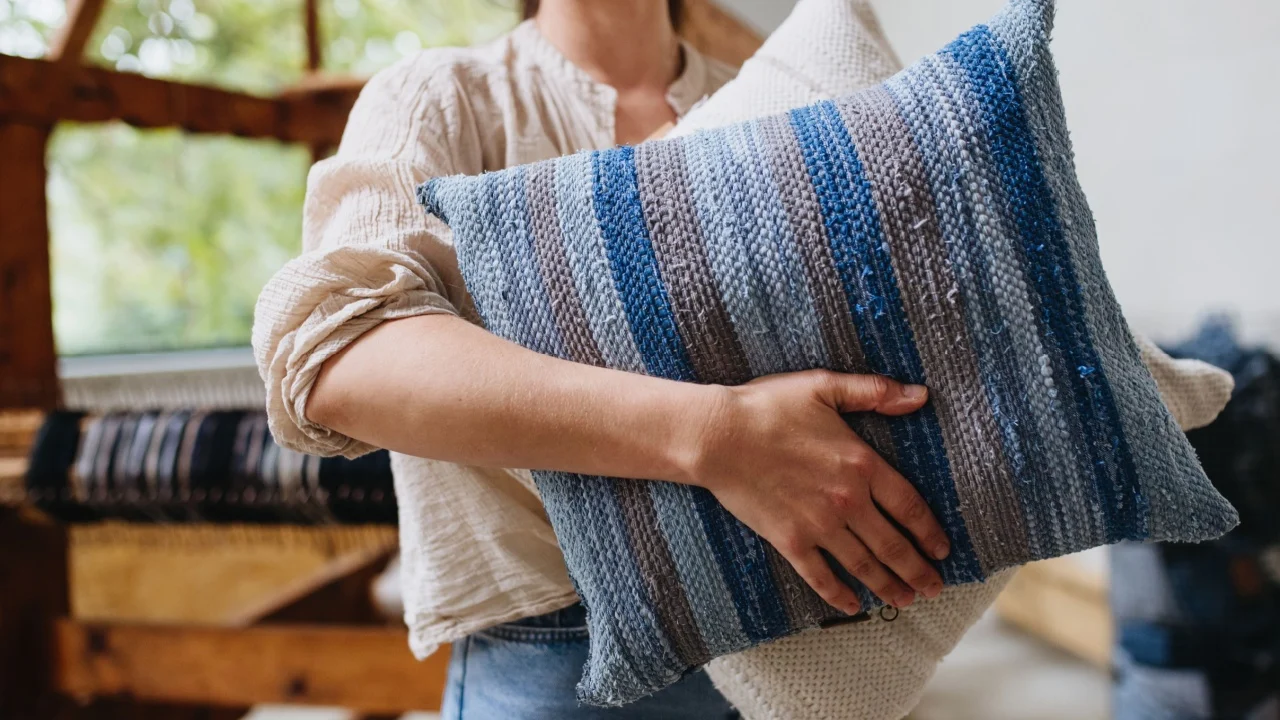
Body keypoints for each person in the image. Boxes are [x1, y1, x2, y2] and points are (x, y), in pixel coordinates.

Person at [253, 0, 952, 716]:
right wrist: (716, 436)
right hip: (560, 654)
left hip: (802, 624)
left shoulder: (776, 86)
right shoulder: (443, 98)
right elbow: (342, 355)